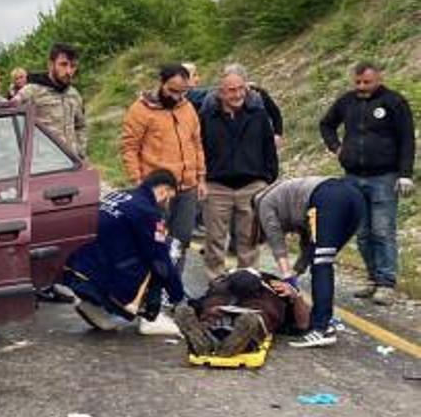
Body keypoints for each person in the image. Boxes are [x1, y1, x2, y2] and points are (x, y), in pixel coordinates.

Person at [318, 61, 415, 306]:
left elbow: (407, 139)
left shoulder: (394, 102)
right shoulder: (346, 101)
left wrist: (405, 173)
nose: (361, 86)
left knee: (383, 231)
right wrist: (336, 148)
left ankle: (386, 282)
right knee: (362, 233)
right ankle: (372, 278)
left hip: (384, 176)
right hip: (352, 176)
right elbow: (326, 124)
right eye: (358, 82)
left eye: (366, 82)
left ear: (378, 79)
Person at [62, 170, 186, 334]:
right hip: (108, 277)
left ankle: (93, 307)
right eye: (169, 197)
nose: (167, 202)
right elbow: (159, 258)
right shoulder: (147, 211)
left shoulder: (117, 195)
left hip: (76, 269)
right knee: (169, 249)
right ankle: (152, 318)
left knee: (138, 247)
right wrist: (178, 297)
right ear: (163, 190)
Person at [253, 176, 364, 348]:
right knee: (321, 260)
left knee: (321, 264)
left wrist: (288, 279)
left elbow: (277, 245)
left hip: (327, 197)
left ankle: (321, 328)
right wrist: (296, 272)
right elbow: (309, 247)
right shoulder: (291, 203)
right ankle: (322, 319)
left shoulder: (263, 204)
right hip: (354, 198)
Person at [119, 64, 205, 273]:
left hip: (188, 188)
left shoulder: (188, 108)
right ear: (161, 83)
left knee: (181, 241)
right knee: (152, 241)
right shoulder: (140, 110)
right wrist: (139, 184)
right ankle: (145, 292)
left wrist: (201, 178)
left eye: (182, 92)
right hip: (156, 191)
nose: (177, 97)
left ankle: (173, 290)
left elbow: (197, 144)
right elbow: (129, 148)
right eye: (172, 91)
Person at [198, 64, 278, 278]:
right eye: (232, 90)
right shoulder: (206, 117)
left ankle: (248, 282)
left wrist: (267, 179)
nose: (238, 94)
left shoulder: (258, 115)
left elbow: (269, 148)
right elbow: (198, 149)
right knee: (215, 240)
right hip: (216, 186)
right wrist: (201, 179)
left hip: (252, 185)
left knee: (249, 240)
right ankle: (215, 282)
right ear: (220, 92)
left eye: (241, 88)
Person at [174, 269, 311, 357]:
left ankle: (220, 338)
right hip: (222, 305)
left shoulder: (275, 285)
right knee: (213, 306)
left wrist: (296, 295)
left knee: (256, 314)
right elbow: (198, 304)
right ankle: (207, 337)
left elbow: (302, 324)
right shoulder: (222, 283)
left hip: (253, 311)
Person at [14, 43, 87, 157]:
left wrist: (80, 151)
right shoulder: (31, 92)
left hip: (72, 163)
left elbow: (80, 126)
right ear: (50, 64)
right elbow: (13, 125)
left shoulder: (74, 94)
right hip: (45, 166)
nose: (68, 71)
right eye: (63, 64)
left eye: (73, 66)